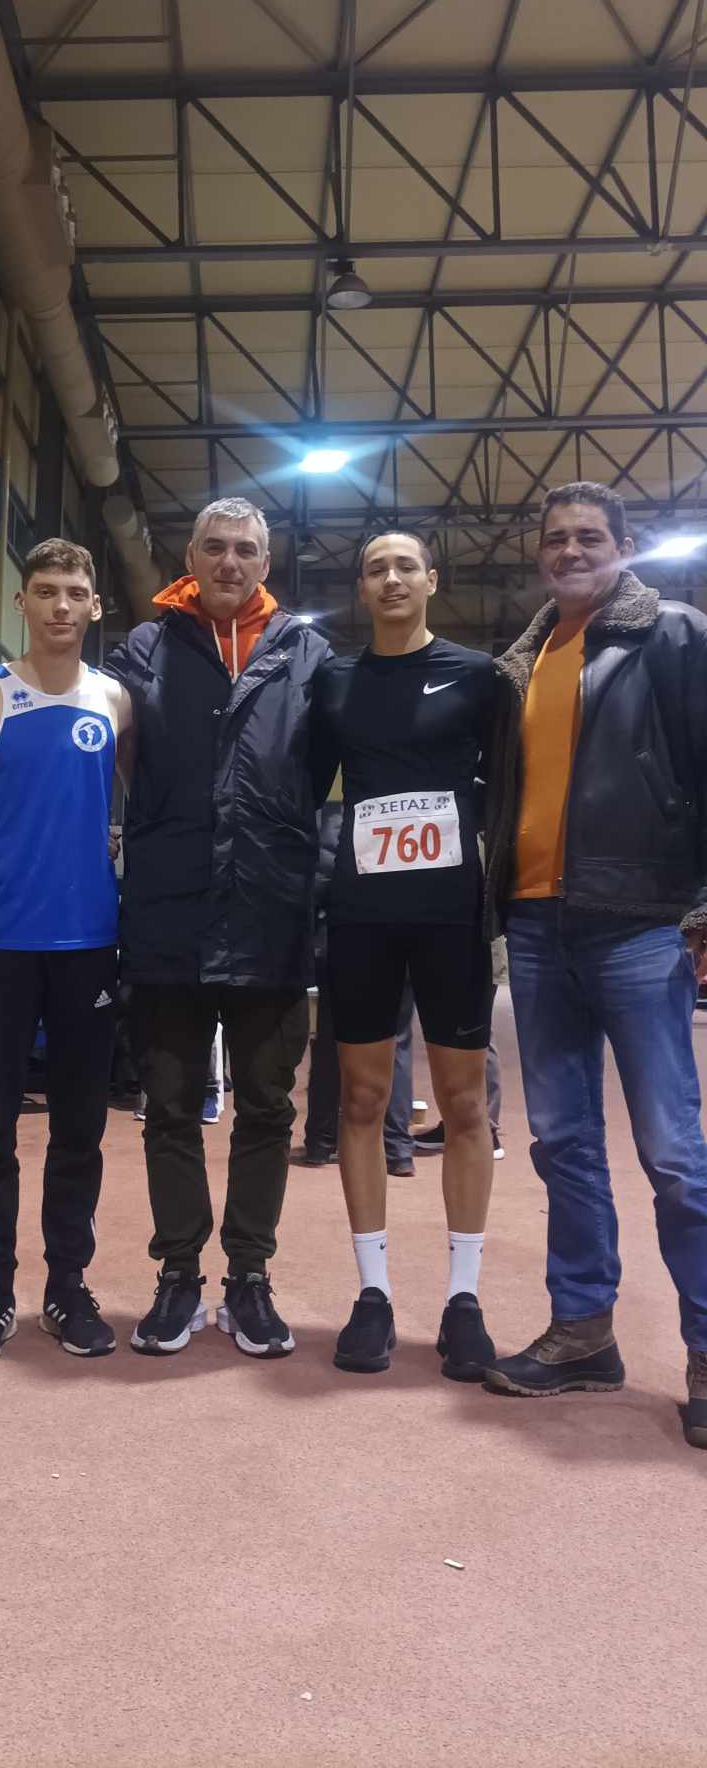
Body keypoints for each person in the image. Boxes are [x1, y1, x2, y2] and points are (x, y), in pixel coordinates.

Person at [482, 483, 707, 1449]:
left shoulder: (674, 635)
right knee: (563, 1143)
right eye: (556, 538)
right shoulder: (522, 661)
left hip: (639, 922)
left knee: (674, 1153)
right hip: (537, 927)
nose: (570, 551)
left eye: (589, 537)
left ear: (623, 546)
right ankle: (583, 1332)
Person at [105, 497, 330, 1359]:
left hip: (271, 912)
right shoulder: (145, 648)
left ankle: (249, 1276)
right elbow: (109, 752)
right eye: (215, 547)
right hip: (170, 912)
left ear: (266, 564)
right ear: (191, 558)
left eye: (245, 549)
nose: (230, 562)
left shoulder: (307, 654)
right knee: (168, 1106)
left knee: (268, 1106)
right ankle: (177, 1275)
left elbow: (326, 772)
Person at [312, 530, 503, 1379]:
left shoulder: (478, 677)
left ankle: (464, 1299)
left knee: (463, 1103)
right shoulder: (335, 681)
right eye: (374, 569)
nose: (390, 579)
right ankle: (373, 1293)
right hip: (363, 916)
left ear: (431, 579)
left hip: (452, 916)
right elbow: (305, 790)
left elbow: (508, 787)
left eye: (404, 567)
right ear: (361, 588)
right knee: (362, 1097)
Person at [0, 539, 131, 1366]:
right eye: (46, 591)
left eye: (75, 592)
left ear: (95, 606)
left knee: (80, 1128)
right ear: (20, 602)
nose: (61, 605)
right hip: (5, 940)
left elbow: (127, 805)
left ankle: (67, 1285)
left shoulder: (115, 699)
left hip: (91, 941)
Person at [305, 803, 417, 1173]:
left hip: (343, 940)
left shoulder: (333, 817)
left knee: (329, 1042)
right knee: (398, 1043)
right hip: (405, 936)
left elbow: (319, 882)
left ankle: (321, 1140)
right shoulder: (407, 814)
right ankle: (397, 1147)